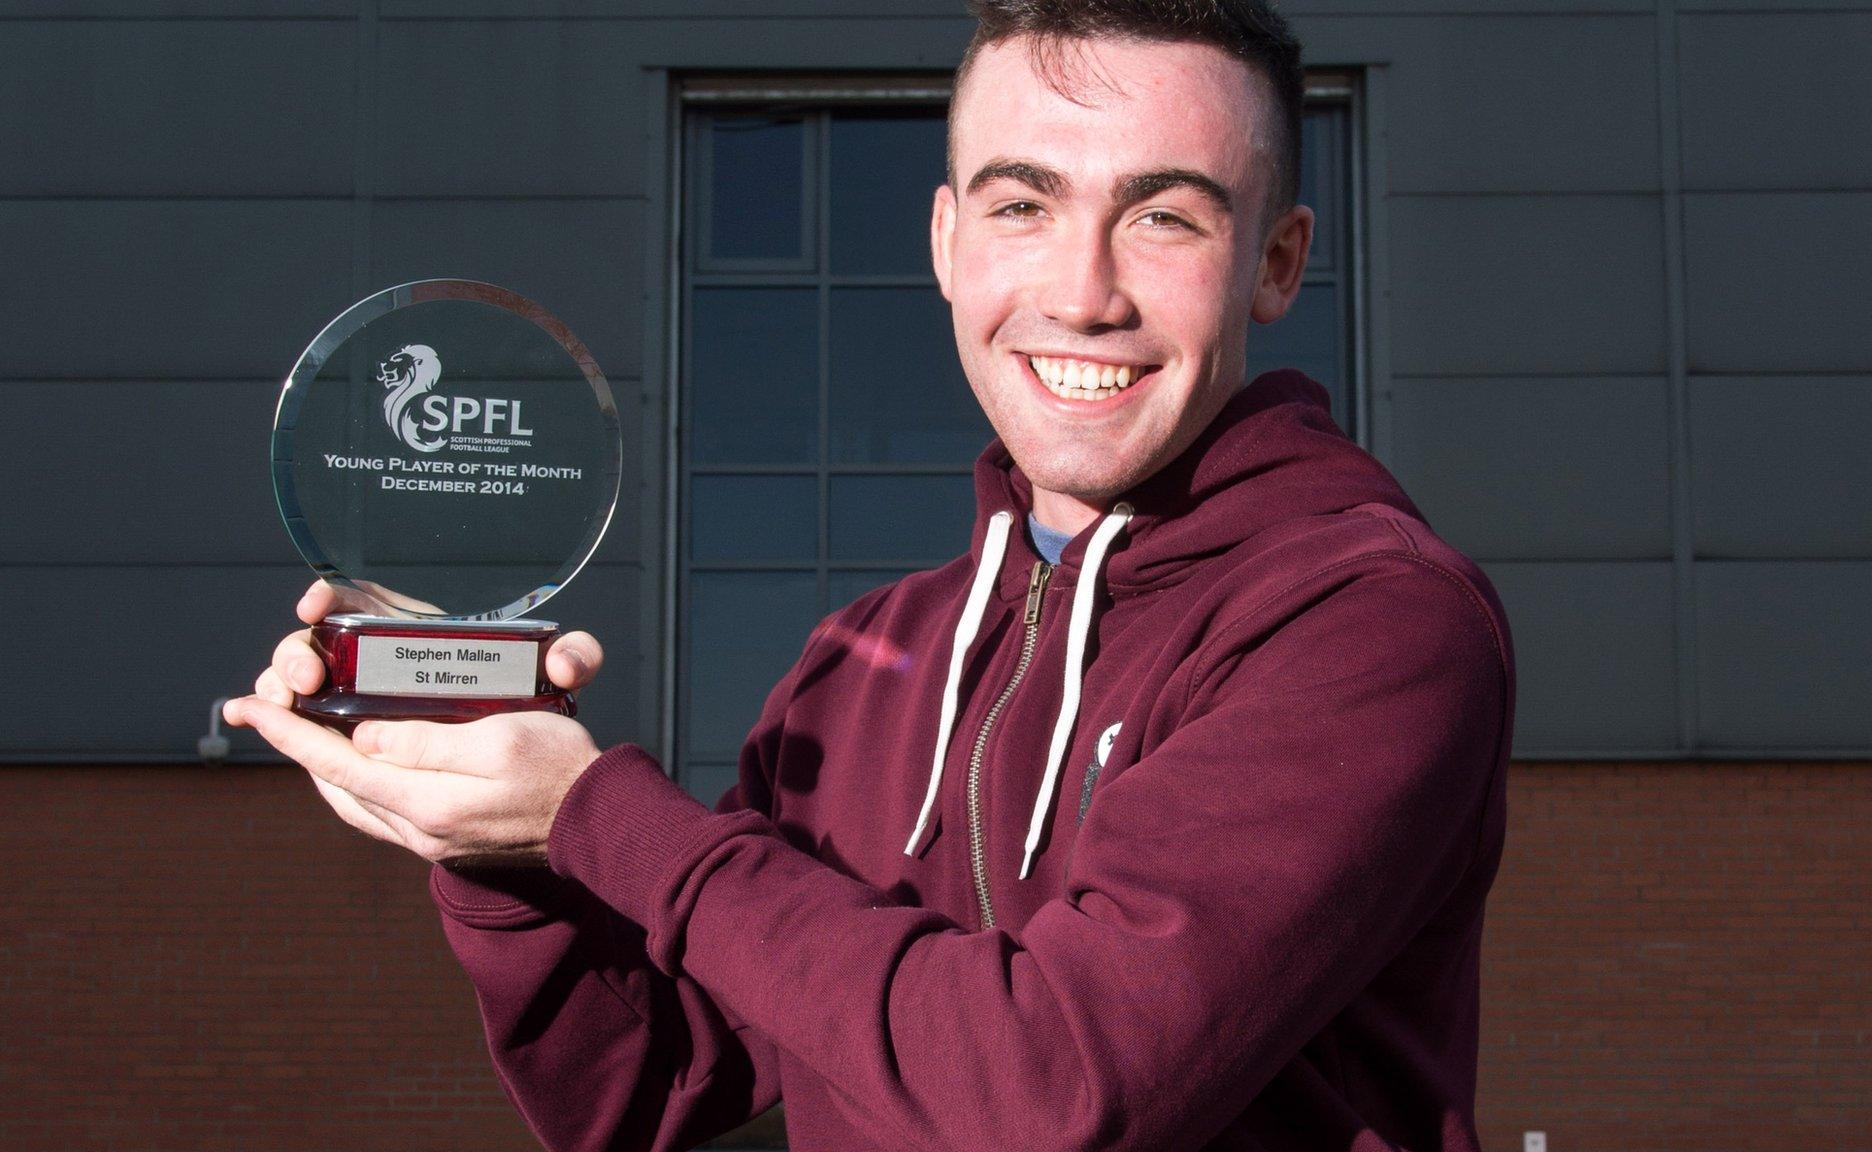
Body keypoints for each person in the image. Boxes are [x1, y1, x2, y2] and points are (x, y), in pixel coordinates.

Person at [228, 1, 1516, 1148]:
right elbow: (646, 1085)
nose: (1084, 292)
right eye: (1025, 205)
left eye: (1164, 217)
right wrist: (499, 841)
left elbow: (1050, 1091)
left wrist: (594, 815)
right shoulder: (868, 655)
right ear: (950, 242)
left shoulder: (1369, 621)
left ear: (1276, 266)